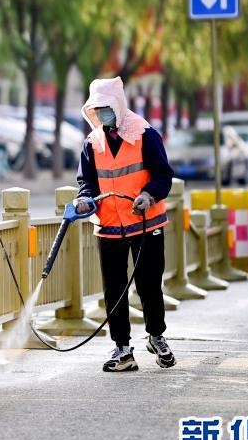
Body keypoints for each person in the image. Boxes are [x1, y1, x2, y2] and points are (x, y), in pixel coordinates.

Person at [74, 77, 176, 372]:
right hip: (109, 225)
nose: (101, 114)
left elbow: (163, 175)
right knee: (114, 289)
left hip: (146, 222)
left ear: (117, 105)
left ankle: (156, 336)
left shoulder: (145, 135)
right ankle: (122, 349)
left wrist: (148, 195)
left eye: (105, 108)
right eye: (97, 109)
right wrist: (85, 199)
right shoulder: (92, 143)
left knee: (149, 284)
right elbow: (86, 182)